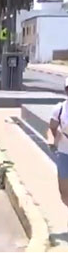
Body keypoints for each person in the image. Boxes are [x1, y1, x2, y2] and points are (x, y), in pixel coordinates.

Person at [50, 79, 68, 216]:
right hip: (64, 153)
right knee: (64, 193)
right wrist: (57, 137)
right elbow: (52, 126)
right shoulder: (60, 109)